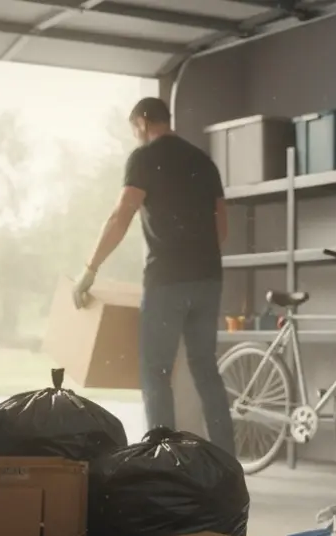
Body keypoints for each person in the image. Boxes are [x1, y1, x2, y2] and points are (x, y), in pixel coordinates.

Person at [73, 96, 236, 455]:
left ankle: (162, 459)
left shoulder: (144, 158)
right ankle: (226, 458)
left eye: (134, 129)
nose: (135, 135)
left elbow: (121, 216)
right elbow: (221, 227)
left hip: (167, 280)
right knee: (205, 368)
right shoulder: (203, 161)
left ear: (143, 122)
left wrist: (90, 268)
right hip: (209, 279)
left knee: (156, 372)